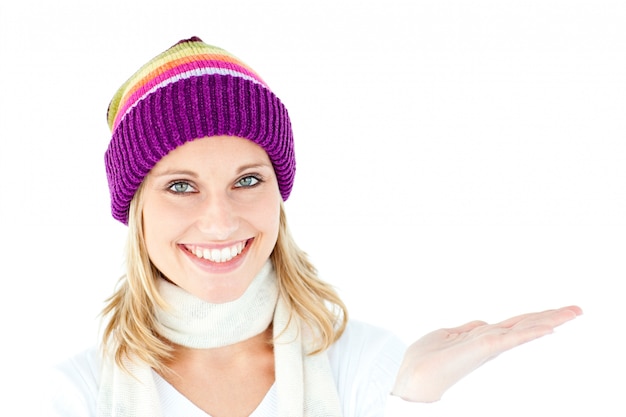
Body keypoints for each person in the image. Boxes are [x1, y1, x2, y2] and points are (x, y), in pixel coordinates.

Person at [40, 36, 582, 417]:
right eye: (180, 186)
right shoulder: (73, 395)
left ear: (279, 193)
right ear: (136, 209)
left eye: (247, 180)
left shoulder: (365, 365)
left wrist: (406, 393)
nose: (221, 220)